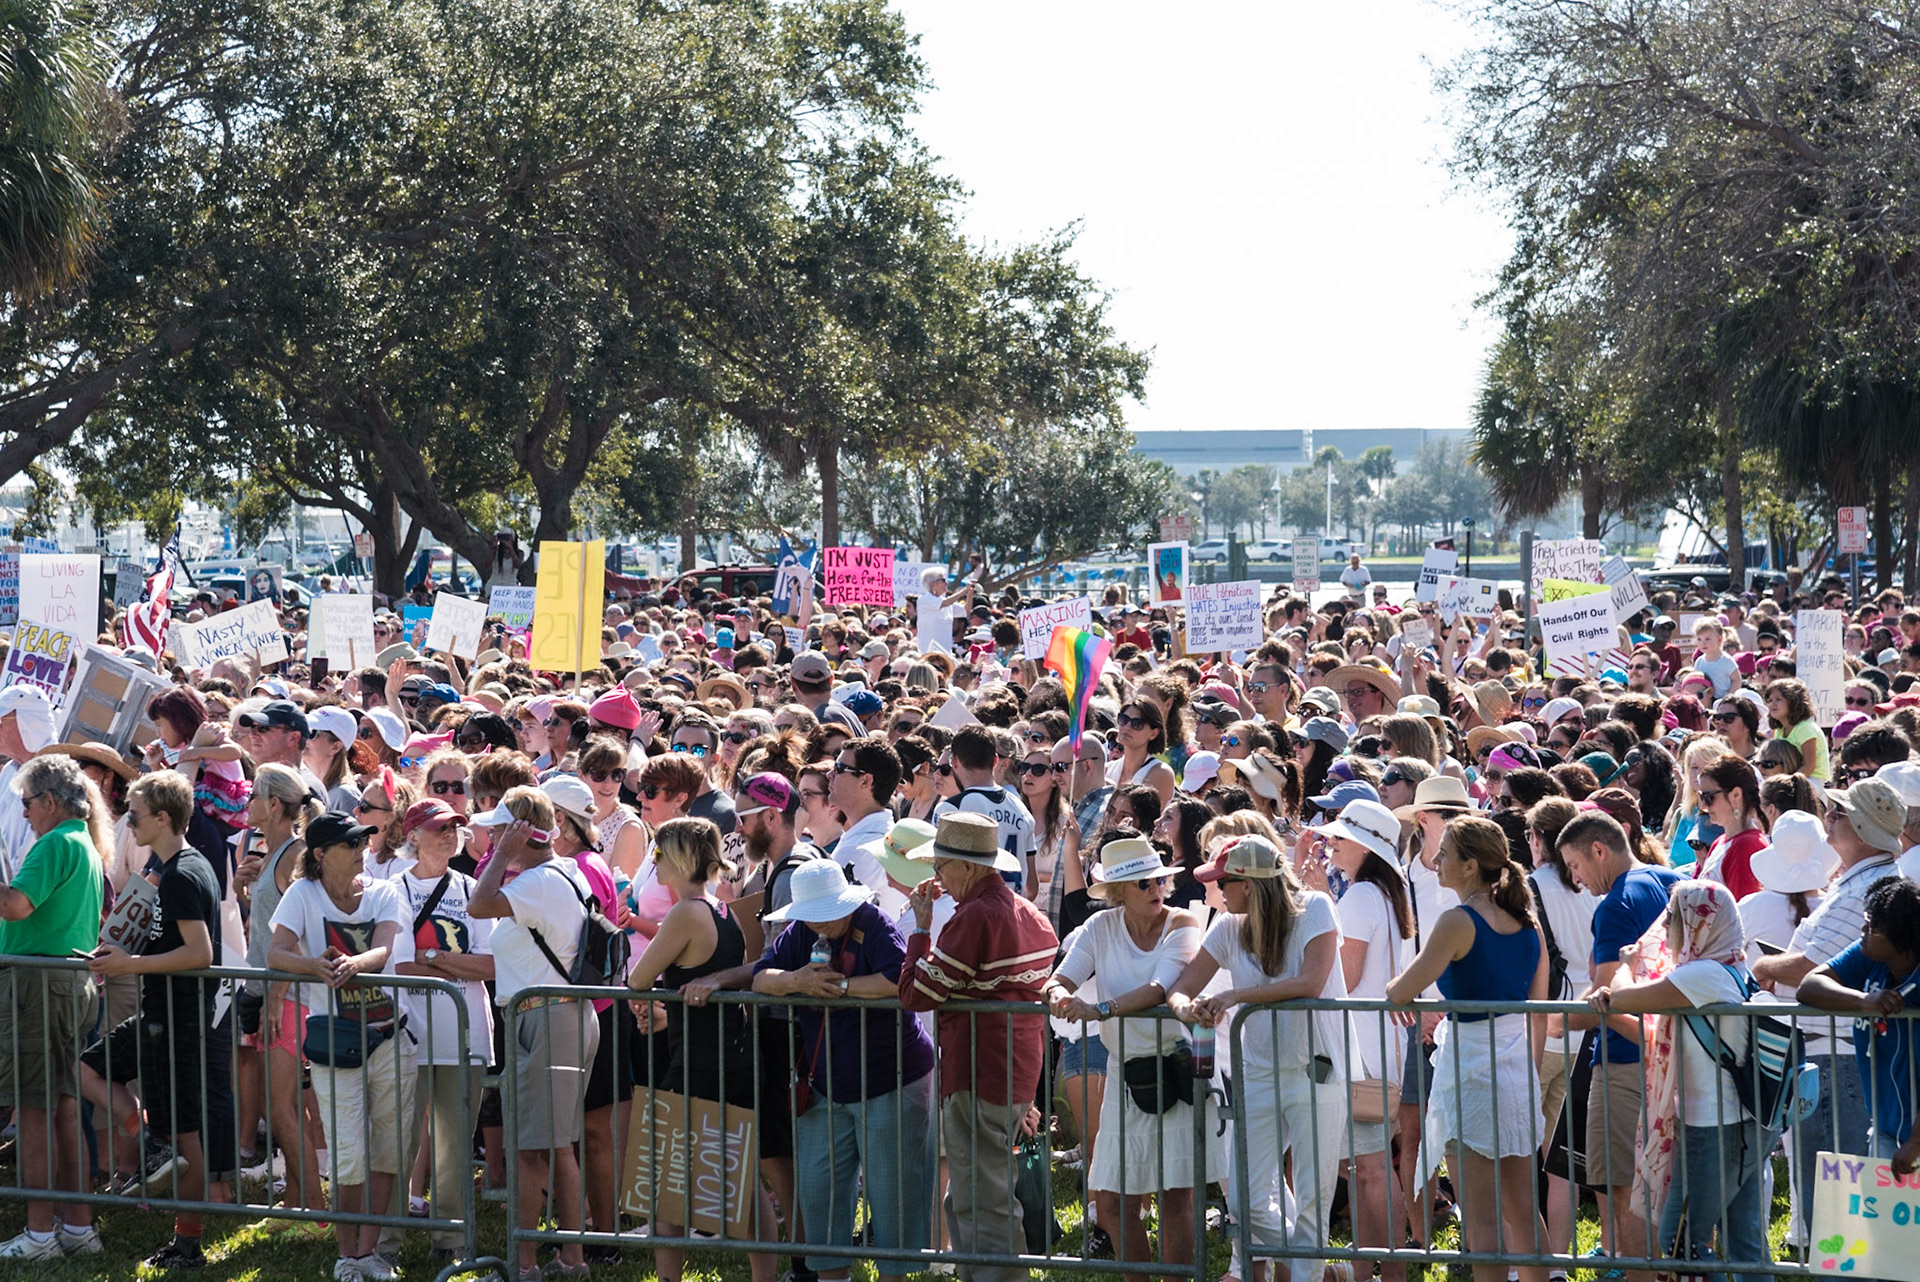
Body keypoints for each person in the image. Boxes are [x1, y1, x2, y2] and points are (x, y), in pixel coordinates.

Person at [1169, 833, 1347, 1282]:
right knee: (1242, 1202)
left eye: (1222, 882)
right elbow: (1181, 989)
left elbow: (1311, 983)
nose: (1216, 890)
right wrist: (1187, 1009)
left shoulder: (1316, 908)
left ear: (1247, 885)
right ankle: (1316, 1269)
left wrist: (1236, 996)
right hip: (1259, 1074)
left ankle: (1310, 1272)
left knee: (1313, 1200)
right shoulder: (1229, 926)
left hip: (1317, 1071)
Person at [1045, 835, 1219, 1282]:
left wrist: (1099, 1009)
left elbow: (1162, 988)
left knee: (1175, 1195)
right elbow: (1060, 978)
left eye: (1159, 879)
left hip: (1175, 1068)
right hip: (1123, 1072)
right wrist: (1058, 994)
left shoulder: (1183, 921)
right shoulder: (1099, 926)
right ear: (1117, 892)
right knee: (1111, 1199)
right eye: (1143, 882)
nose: (1155, 888)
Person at [754, 860, 938, 1282]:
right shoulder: (800, 931)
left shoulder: (875, 924)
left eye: (824, 913)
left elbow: (899, 981)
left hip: (890, 1082)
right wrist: (797, 980)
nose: (816, 922)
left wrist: (838, 988)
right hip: (824, 1087)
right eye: (810, 914)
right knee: (820, 1197)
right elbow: (762, 977)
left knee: (893, 1200)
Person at [79, 770, 234, 1270]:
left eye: (135, 814)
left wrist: (130, 965)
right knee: (87, 1069)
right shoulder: (173, 867)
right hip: (159, 1015)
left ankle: (188, 1245)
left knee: (187, 1137)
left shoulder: (183, 874)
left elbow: (200, 953)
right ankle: (149, 1141)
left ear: (163, 818)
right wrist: (118, 949)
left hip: (177, 1018)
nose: (128, 822)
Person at [1385, 815, 1549, 1282]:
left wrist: (1397, 989)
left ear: (1471, 865)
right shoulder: (1527, 923)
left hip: (1473, 1076)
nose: (1436, 860)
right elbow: (1537, 1005)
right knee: (1524, 1213)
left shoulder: (1457, 921)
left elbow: (1400, 991)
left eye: (1445, 854)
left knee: (1482, 1222)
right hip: (1515, 1072)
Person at [899, 813, 1059, 1282]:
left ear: (968, 867)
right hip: (1016, 1067)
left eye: (942, 866)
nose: (938, 878)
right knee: (971, 1192)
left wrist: (921, 930)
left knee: (983, 1196)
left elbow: (916, 993)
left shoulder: (974, 917)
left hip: (978, 1069)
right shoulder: (1029, 913)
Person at [1586, 881, 1769, 1282]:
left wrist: (1626, 966)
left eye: (1672, 917)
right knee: (1744, 1243)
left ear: (1697, 922)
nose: (1665, 926)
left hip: (1714, 1127)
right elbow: (1657, 1033)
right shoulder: (1729, 967)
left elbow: (1624, 997)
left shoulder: (1705, 974)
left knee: (1679, 1240)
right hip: (1736, 1123)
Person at [624, 816, 780, 1282]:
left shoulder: (687, 913)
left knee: (668, 1184)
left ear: (679, 859)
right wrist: (666, 1014)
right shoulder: (721, 910)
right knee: (744, 1182)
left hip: (699, 1065)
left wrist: (654, 1005)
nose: (653, 863)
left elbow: (638, 978)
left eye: (657, 854)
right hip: (731, 1057)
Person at [266, 810, 416, 1282]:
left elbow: (384, 950)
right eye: (351, 843)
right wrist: (313, 965)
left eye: (363, 841)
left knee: (389, 1151)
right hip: (336, 1042)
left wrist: (355, 963)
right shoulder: (301, 893)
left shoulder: (385, 891)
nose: (361, 850)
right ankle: (346, 1256)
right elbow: (275, 953)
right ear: (320, 854)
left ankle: (369, 1252)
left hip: (391, 1038)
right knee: (349, 1155)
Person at [1751, 776, 1907, 1220]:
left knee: (1834, 1208)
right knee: (1830, 1202)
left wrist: (1763, 967)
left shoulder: (1866, 890)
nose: (1830, 817)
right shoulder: (1860, 884)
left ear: (1863, 829)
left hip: (1838, 1059)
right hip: (1833, 1053)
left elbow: (1813, 967)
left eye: (1841, 812)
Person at [467, 786, 596, 1282]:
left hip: (547, 1019)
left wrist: (502, 855)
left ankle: (526, 1266)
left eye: (500, 831)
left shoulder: (539, 881)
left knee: (532, 1149)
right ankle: (569, 1259)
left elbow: (479, 904)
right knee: (555, 1145)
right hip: (552, 1017)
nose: (491, 839)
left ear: (522, 834)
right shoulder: (557, 873)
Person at [1556, 812, 1683, 1282]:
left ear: (1599, 850)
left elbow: (1606, 1000)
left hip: (1629, 1063)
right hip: (1677, 1060)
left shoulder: (1615, 904)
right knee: (1670, 1191)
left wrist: (1550, 1020)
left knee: (1627, 1189)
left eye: (1575, 865)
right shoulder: (1672, 881)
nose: (1575, 878)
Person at [0, 754, 105, 1261]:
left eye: (27, 803)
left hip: (40, 985)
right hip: (67, 983)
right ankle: (77, 1228)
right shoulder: (82, 841)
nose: (23, 813)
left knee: (35, 1111)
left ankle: (40, 1234)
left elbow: (15, 906)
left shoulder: (56, 843)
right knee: (62, 1110)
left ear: (48, 800)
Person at [386, 796, 494, 1270]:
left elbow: (490, 965)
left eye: (454, 828)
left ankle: (450, 1239)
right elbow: (399, 965)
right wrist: (452, 965)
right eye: (438, 829)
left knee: (454, 1144)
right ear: (412, 836)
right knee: (398, 1141)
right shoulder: (391, 890)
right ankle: (385, 1239)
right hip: (406, 1032)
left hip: (464, 1034)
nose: (449, 835)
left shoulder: (474, 890)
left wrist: (431, 958)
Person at [1316, 796, 1415, 1282]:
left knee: (1372, 1170)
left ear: (1367, 846)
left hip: (1363, 1053)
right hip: (1380, 1048)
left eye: (1341, 836)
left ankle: (1390, 1275)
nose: (1331, 841)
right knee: (1367, 1169)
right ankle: (1365, 1271)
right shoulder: (1388, 893)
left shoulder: (1360, 896)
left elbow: (1345, 976)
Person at [1799, 877, 1920, 1169]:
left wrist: (1916, 1142)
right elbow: (1809, 986)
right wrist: (1863, 1000)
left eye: (1872, 927)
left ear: (1900, 937)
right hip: (1885, 1128)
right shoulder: (1868, 956)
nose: (1863, 931)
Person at [935, 725, 1038, 898]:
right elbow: (1032, 887)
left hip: (973, 909)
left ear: (954, 762)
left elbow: (941, 878)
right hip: (1013, 908)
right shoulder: (1021, 808)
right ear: (995, 760)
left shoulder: (951, 809)